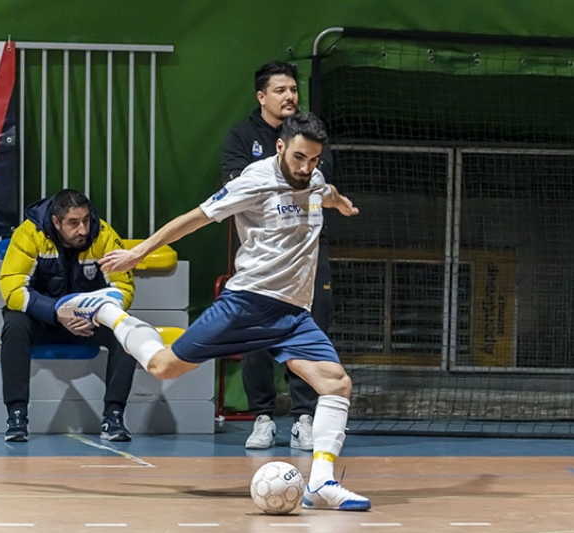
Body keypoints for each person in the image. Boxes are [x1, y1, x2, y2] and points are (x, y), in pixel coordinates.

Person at [56, 113, 370, 511]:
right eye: (299, 158)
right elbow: (194, 219)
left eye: (314, 159)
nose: (306, 167)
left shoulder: (314, 178)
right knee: (164, 366)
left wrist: (339, 202)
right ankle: (108, 312)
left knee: (337, 384)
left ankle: (321, 482)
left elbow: (324, 191)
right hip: (248, 303)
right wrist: (138, 252)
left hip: (293, 314)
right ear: (280, 148)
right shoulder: (254, 181)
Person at [222, 61, 333, 451]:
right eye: (281, 90)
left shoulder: (309, 134)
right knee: (256, 338)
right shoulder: (241, 136)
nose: (289, 96)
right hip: (261, 261)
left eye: (293, 90)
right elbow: (235, 185)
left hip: (305, 258)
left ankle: (304, 418)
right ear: (262, 96)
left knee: (307, 333)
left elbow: (320, 184)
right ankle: (262, 417)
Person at [0, 188, 137, 442]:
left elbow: (123, 290)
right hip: (45, 320)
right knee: (14, 323)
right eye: (73, 223)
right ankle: (16, 417)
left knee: (124, 329)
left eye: (85, 220)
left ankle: (114, 416)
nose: (83, 230)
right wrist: (57, 313)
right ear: (55, 222)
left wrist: (92, 314)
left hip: (89, 320)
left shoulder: (104, 235)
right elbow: (12, 289)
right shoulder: (29, 233)